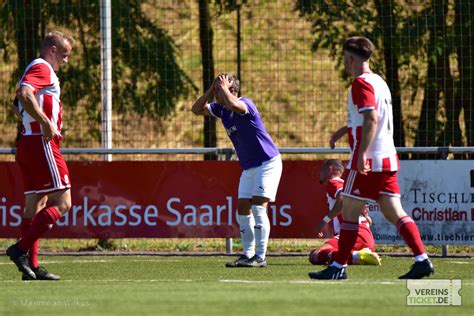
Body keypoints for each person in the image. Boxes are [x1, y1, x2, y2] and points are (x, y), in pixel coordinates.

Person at [309, 36, 433, 280]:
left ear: (351, 58)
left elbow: (371, 119)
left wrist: (362, 153)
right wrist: (343, 131)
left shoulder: (360, 83)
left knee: (350, 211)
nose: (345, 63)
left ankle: (337, 267)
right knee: (394, 212)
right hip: (387, 159)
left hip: (368, 161)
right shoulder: (380, 82)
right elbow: (368, 117)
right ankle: (422, 259)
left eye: (345, 59)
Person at [191, 73, 282, 268]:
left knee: (258, 207)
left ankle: (260, 256)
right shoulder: (221, 110)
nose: (217, 93)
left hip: (267, 162)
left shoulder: (245, 104)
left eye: (221, 89)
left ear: (232, 90)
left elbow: (234, 105)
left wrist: (223, 88)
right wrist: (210, 90)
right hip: (249, 166)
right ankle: (247, 255)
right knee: (242, 210)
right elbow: (196, 109)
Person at [6, 31, 74, 281]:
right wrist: (46, 123)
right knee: (63, 202)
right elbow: (24, 94)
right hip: (41, 143)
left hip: (27, 142)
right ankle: (20, 250)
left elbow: (18, 104)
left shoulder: (35, 70)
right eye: (64, 55)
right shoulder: (42, 67)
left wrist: (32, 117)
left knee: (36, 205)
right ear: (53, 49)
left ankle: (31, 267)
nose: (66, 61)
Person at [309, 159, 381, 266]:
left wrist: (324, 222)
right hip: (366, 238)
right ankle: (359, 255)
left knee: (315, 255)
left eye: (321, 170)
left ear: (330, 169)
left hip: (354, 234)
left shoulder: (333, 182)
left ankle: (357, 256)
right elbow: (368, 220)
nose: (320, 173)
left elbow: (342, 201)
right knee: (325, 253)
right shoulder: (349, 186)